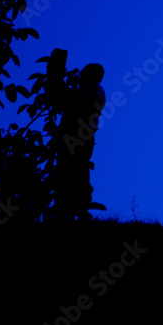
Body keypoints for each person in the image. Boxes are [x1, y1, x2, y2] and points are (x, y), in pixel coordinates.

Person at [54, 62, 105, 222]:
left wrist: (58, 79)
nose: (81, 73)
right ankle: (72, 210)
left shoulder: (93, 90)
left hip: (79, 138)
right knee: (75, 171)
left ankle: (76, 210)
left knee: (74, 171)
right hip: (81, 137)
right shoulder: (91, 89)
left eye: (85, 71)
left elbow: (72, 101)